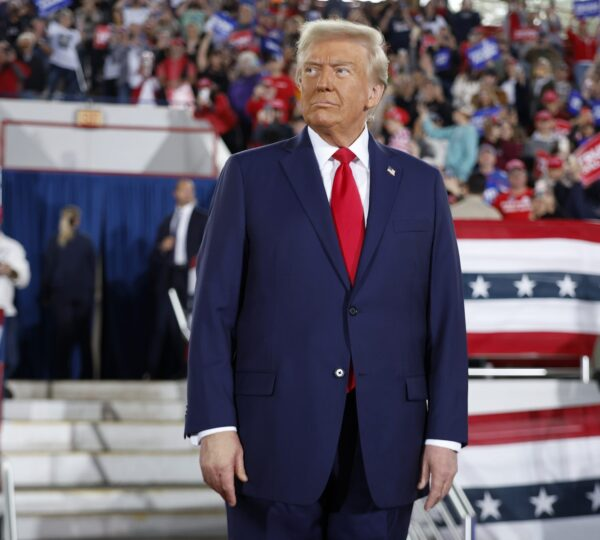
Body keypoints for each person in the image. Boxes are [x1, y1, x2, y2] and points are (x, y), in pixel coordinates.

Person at [185, 19, 468, 540]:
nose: (322, 81)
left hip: (387, 443)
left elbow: (445, 317)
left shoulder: (421, 185)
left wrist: (445, 434)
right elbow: (213, 312)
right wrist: (214, 425)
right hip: (270, 439)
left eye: (340, 70)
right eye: (311, 69)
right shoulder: (248, 176)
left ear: (374, 93)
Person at [148, 179, 207, 379]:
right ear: (175, 193)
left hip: (192, 276)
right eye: (184, 189)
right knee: (168, 323)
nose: (188, 193)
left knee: (190, 322)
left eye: (191, 189)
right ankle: (160, 370)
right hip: (170, 276)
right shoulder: (168, 221)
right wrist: (162, 247)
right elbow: (156, 252)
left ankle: (189, 369)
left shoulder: (203, 218)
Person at [42, 206, 95, 379]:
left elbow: (48, 272)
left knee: (67, 340)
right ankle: (80, 377)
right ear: (76, 221)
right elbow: (92, 272)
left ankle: (65, 377)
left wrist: (45, 295)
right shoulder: (75, 242)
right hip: (74, 299)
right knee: (76, 340)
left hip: (68, 299)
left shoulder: (60, 242)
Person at [0, 215, 31, 398]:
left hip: (5, 311)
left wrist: (9, 270)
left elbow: (24, 278)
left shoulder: (12, 247)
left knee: (10, 358)